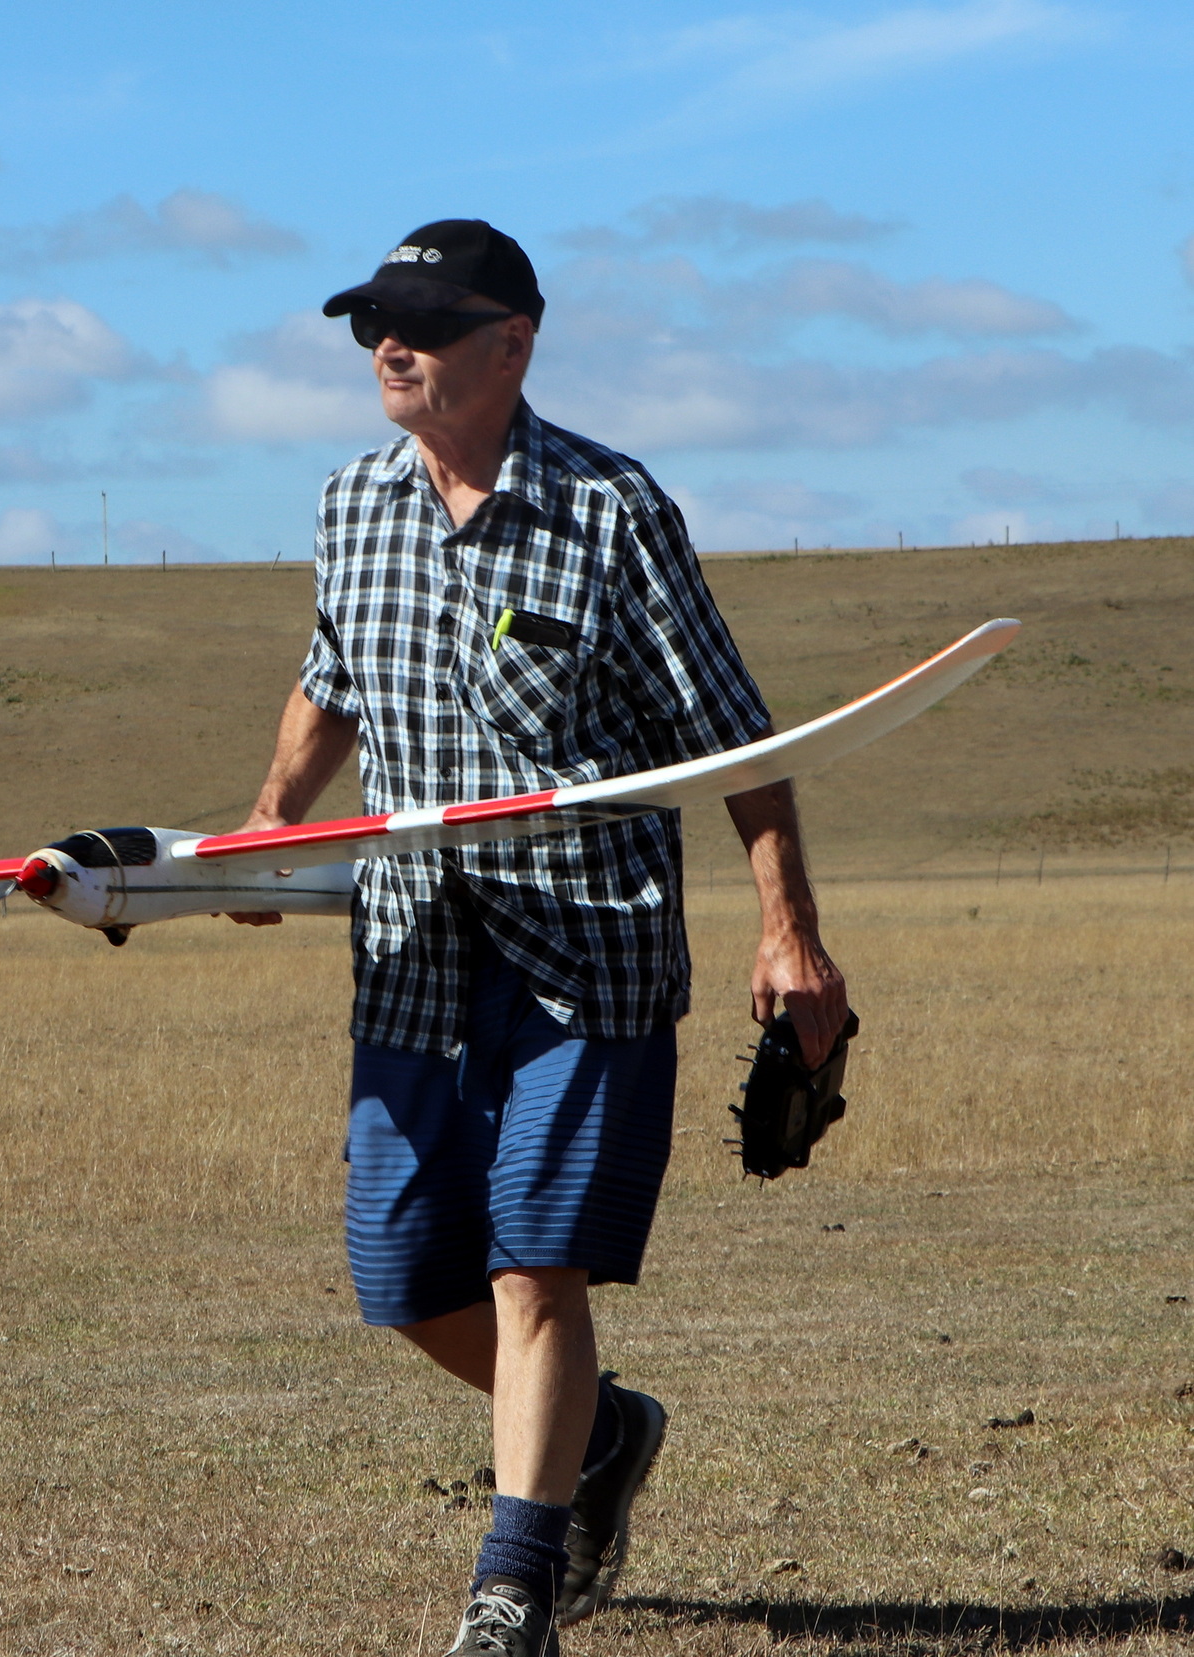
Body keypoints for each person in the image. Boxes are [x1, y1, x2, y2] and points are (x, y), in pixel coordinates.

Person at [231, 220, 847, 1656]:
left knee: (534, 1268)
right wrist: (269, 818)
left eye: (427, 324)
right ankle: (606, 1430)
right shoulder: (351, 503)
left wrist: (789, 932)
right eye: (374, 324)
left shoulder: (612, 513)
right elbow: (334, 676)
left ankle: (511, 1591)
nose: (392, 346)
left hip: (588, 955)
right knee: (403, 1279)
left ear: (514, 343)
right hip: (415, 957)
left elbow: (736, 738)